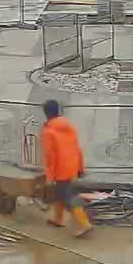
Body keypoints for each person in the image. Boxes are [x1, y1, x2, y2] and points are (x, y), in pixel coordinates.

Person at [39, 100, 92, 237]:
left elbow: (50, 156)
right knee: (60, 194)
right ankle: (58, 219)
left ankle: (85, 224)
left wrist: (49, 177)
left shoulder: (48, 131)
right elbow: (77, 148)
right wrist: (80, 167)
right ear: (58, 111)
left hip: (60, 170)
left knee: (67, 197)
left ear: (45, 113)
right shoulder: (69, 126)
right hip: (72, 165)